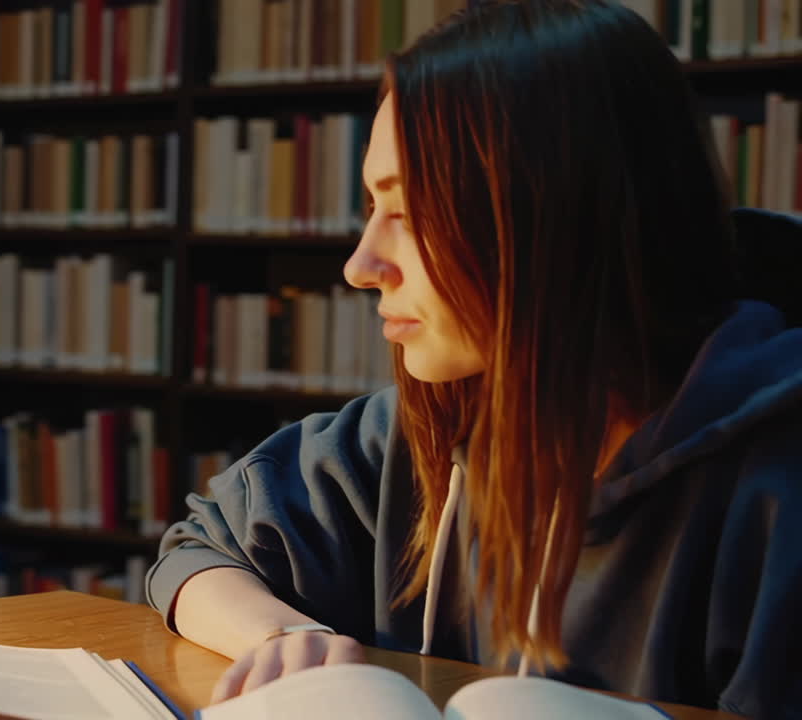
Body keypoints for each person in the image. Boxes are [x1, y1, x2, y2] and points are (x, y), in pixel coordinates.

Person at [146, 1, 802, 717]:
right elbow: (197, 550)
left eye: (411, 212)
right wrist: (285, 637)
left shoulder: (775, 485)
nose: (360, 267)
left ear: (555, 217)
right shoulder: (429, 427)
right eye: (372, 208)